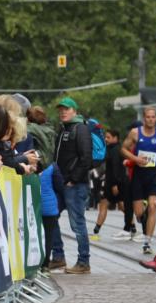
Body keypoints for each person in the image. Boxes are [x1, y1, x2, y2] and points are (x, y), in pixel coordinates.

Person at [120, 107, 156, 255]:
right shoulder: (135, 133)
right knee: (139, 212)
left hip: (154, 173)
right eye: (148, 117)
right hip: (139, 174)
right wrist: (135, 159)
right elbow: (123, 149)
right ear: (144, 119)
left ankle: (147, 242)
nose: (151, 119)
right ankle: (144, 215)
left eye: (153, 117)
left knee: (153, 208)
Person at [54, 96, 93, 274]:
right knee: (50, 216)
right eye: (61, 109)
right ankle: (58, 257)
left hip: (75, 185)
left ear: (74, 111)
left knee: (77, 224)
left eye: (67, 109)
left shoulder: (81, 128)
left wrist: (73, 179)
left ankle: (83, 262)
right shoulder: (63, 129)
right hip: (62, 183)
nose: (63, 111)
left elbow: (86, 158)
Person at [91, 129, 124, 241]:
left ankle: (136, 224)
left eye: (108, 137)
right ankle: (96, 230)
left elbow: (116, 167)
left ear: (115, 138)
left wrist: (115, 184)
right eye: (105, 137)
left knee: (120, 206)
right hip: (111, 183)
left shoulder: (115, 150)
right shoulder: (112, 149)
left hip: (114, 183)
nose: (106, 139)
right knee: (107, 205)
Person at [39, 162, 65, 273]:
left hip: (31, 206)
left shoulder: (25, 164)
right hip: (48, 207)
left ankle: (35, 262)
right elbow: (60, 187)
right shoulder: (52, 167)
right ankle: (45, 264)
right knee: (48, 236)